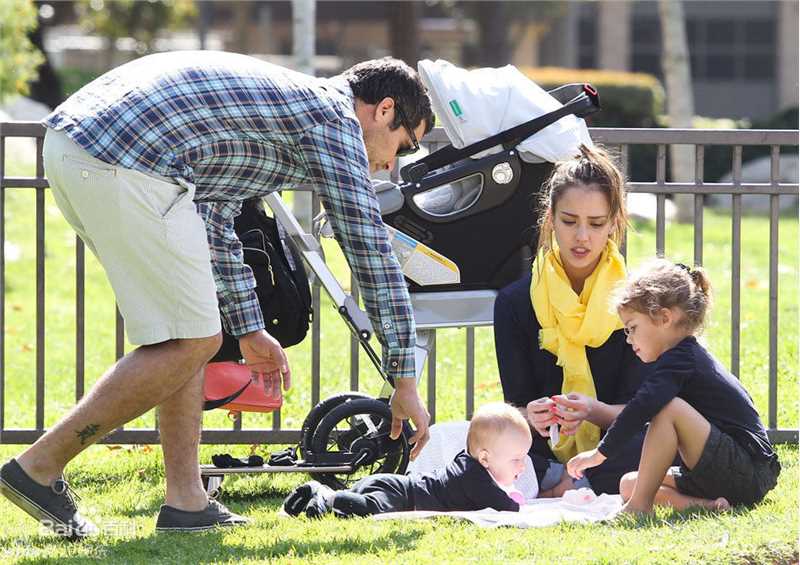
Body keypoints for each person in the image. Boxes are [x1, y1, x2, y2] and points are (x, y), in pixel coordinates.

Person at [0, 51, 434, 538]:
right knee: (191, 339)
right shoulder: (332, 118)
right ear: (384, 110)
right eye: (405, 143)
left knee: (188, 335)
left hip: (81, 145)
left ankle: (186, 502)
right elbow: (368, 247)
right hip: (126, 159)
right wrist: (405, 378)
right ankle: (38, 467)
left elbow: (213, 217)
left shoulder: (288, 111)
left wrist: (248, 328)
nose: (391, 162)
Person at [566, 260, 781, 514]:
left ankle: (638, 507)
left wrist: (600, 453)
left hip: (748, 470)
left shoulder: (683, 358)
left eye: (632, 328)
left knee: (667, 407)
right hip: (728, 471)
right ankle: (711, 506)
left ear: (664, 317)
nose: (629, 339)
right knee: (629, 483)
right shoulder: (681, 358)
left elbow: (643, 406)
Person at [493, 145, 646, 498]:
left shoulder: (636, 301)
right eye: (569, 221)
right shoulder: (515, 302)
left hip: (617, 448)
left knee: (655, 437)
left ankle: (572, 483)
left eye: (596, 224)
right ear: (549, 219)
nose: (582, 237)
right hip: (539, 454)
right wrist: (529, 416)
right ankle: (569, 482)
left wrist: (592, 412)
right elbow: (515, 404)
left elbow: (642, 409)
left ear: (614, 223)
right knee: (485, 440)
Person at [283, 402, 532, 518]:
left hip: (393, 485)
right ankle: (328, 496)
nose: (522, 466)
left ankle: (317, 495)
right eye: (516, 459)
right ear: (485, 457)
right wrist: (515, 504)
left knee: (351, 509)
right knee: (370, 509)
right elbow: (506, 507)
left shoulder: (469, 463)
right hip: (403, 494)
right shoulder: (474, 477)